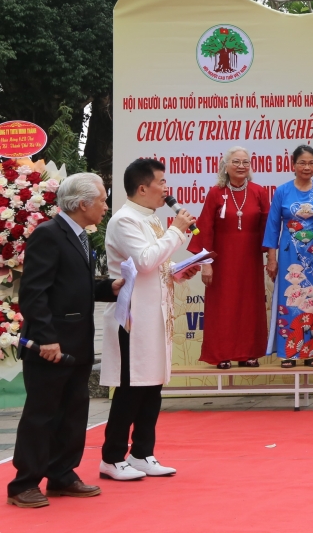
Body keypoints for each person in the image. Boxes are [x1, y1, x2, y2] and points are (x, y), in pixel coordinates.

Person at [7, 174, 121, 508]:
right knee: (42, 413)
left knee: (73, 410)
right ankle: (24, 483)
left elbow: (72, 286)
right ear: (83, 203)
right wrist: (45, 338)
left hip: (79, 341)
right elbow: (34, 293)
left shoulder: (81, 236)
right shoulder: (49, 234)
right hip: (51, 343)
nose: (105, 206)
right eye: (101, 200)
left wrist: (107, 287)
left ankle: (62, 473)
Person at [101, 158, 203, 480]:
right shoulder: (124, 220)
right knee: (132, 387)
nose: (166, 189)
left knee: (153, 385)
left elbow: (157, 265)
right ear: (143, 187)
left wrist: (177, 271)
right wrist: (176, 230)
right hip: (133, 316)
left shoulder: (153, 219)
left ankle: (143, 452)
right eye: (161, 182)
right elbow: (144, 262)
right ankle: (111, 457)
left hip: (156, 313)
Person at [189, 146, 270, 369]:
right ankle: (222, 354)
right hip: (222, 260)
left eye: (245, 162)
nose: (241, 166)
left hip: (250, 260)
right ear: (225, 165)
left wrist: (271, 256)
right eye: (236, 161)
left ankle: (248, 353)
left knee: (249, 305)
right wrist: (206, 264)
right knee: (223, 307)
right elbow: (205, 229)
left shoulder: (259, 192)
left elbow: (268, 228)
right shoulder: (216, 193)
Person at [263, 145, 313, 367]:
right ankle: (288, 353)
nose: (307, 167)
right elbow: (273, 227)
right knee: (290, 298)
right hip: (289, 254)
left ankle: (312, 352)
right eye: (302, 162)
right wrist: (271, 259)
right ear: (293, 165)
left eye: (311, 162)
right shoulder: (282, 191)